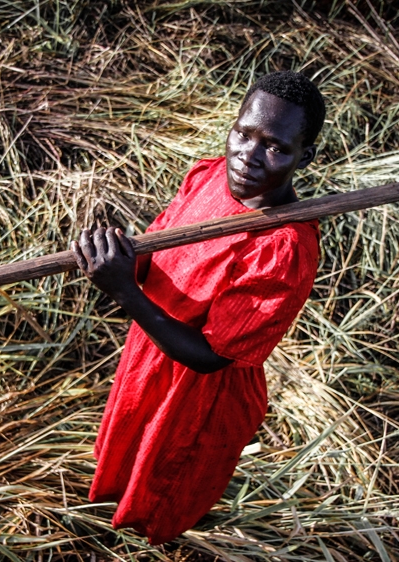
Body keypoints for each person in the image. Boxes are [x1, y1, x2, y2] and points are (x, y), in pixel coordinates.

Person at [71, 71, 325, 545]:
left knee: (164, 487)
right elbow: (155, 256)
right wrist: (113, 258)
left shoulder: (283, 247)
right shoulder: (208, 178)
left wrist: (124, 292)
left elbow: (210, 357)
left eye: (275, 147)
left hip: (197, 396)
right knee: (126, 451)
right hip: (149, 353)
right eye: (243, 134)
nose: (248, 156)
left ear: (304, 157)